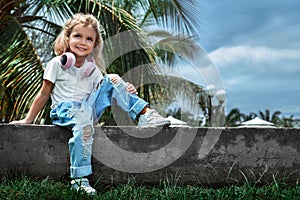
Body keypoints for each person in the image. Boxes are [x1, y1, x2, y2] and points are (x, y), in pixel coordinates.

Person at [10, 13, 170, 195]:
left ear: (94, 44)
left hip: (87, 109)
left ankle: (144, 115)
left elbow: (107, 88)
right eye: (78, 36)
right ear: (68, 37)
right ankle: (79, 179)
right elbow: (44, 94)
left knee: (113, 78)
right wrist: (28, 120)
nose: (82, 42)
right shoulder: (56, 64)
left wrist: (125, 88)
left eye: (89, 39)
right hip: (64, 110)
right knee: (82, 116)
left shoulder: (92, 70)